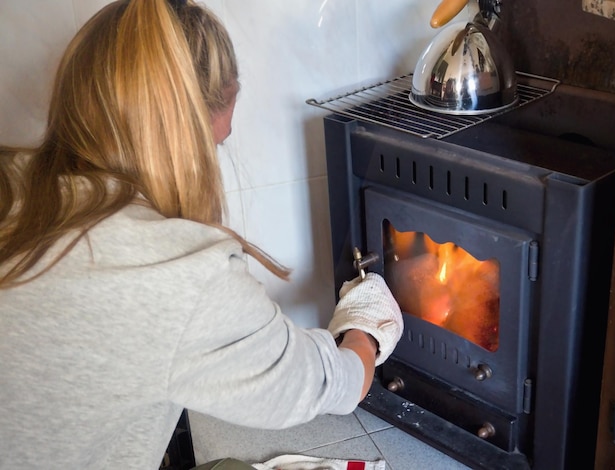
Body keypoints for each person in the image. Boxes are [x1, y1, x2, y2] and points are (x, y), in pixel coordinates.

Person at [0, 1, 403, 469]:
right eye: (214, 142)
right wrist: (366, 326)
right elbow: (331, 385)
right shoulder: (177, 272)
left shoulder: (12, 186)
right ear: (183, 136)